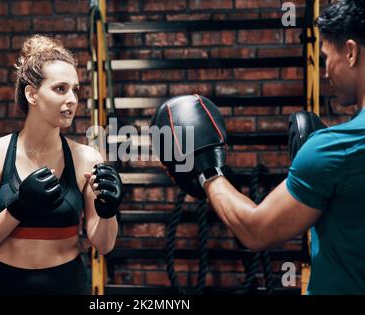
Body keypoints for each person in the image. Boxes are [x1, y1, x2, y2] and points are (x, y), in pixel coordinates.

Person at [153, 0, 365, 294]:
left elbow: (256, 230)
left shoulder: (335, 150)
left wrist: (208, 173)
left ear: (351, 52)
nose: (327, 71)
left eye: (328, 56)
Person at [0, 34, 121, 295]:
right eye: (60, 89)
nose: (72, 99)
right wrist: (19, 207)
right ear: (32, 94)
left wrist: (108, 213)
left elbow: (103, 245)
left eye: (75, 90)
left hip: (68, 286)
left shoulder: (87, 158)